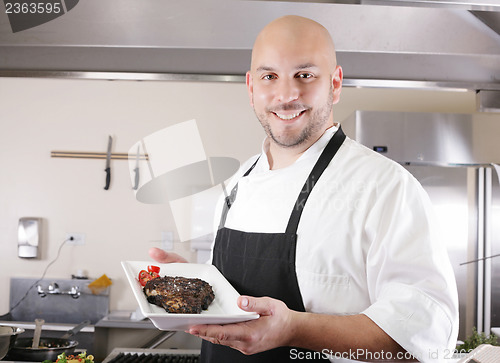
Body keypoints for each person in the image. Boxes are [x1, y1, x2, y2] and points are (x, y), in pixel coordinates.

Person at [149, 15, 459, 362]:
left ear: (335, 84)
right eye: (270, 77)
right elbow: (235, 303)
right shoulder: (239, 182)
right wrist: (197, 285)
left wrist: (296, 329)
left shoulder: (385, 187)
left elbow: (425, 339)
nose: (286, 95)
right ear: (251, 88)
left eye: (305, 75)